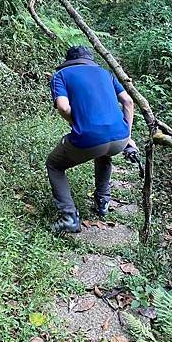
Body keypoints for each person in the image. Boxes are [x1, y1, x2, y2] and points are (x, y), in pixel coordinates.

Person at [46, 45, 136, 233]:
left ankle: (69, 216)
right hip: (120, 138)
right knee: (104, 154)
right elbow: (128, 101)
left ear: (69, 61)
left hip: (89, 139)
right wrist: (128, 134)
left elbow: (63, 107)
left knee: (54, 164)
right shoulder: (106, 74)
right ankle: (103, 202)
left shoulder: (61, 76)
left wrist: (76, 122)